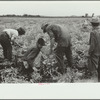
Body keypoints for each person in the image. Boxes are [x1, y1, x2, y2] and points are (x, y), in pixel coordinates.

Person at [88, 16, 100, 82]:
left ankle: (94, 80)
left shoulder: (93, 32)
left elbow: (92, 45)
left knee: (93, 67)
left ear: (92, 24)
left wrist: (89, 53)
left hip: (96, 53)